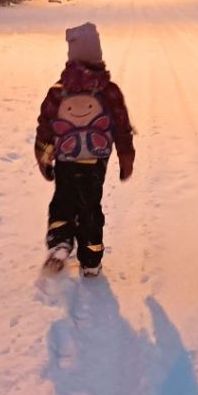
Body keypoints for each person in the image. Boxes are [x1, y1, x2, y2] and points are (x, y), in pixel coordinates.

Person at [35, 22, 135, 277]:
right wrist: (126, 157)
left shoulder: (58, 91)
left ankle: (60, 242)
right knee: (91, 204)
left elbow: (46, 127)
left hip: (66, 159)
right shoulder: (108, 90)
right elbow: (121, 126)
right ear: (98, 55)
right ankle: (91, 258)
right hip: (95, 160)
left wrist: (43, 156)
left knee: (63, 200)